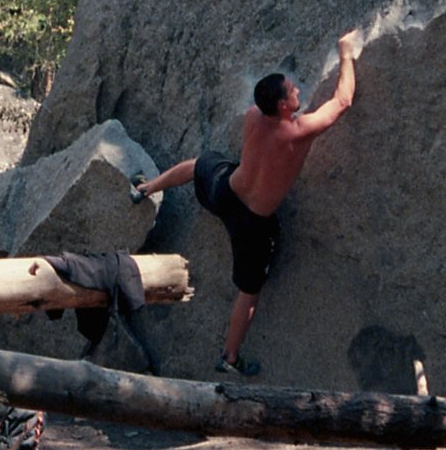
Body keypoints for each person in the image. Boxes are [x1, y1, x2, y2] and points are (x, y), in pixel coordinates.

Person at [132, 30, 361, 376]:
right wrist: (346, 53)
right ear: (284, 106)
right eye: (293, 91)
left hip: (225, 191)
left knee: (199, 165)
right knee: (248, 291)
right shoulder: (298, 133)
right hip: (253, 224)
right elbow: (343, 101)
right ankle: (229, 357)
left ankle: (146, 188)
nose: (299, 90)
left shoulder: (255, 115)